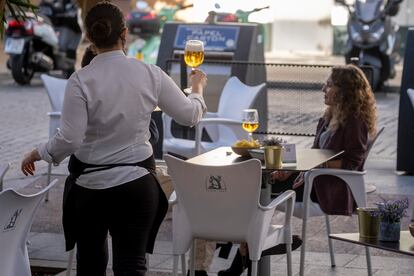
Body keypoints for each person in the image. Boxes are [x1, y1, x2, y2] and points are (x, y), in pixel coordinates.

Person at [21, 2, 207, 275]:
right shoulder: (149, 73)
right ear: (125, 34)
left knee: (91, 266)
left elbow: (70, 140)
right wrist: (198, 88)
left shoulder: (80, 80)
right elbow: (190, 115)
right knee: (131, 264)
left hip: (90, 188)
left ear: (89, 37)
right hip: (136, 185)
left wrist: (38, 152)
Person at [218, 64, 377, 275]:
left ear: (344, 90)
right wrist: (291, 170)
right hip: (313, 180)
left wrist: (316, 166)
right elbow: (313, 154)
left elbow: (353, 161)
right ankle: (256, 246)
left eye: (329, 85)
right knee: (257, 188)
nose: (323, 89)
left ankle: (242, 246)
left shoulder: (354, 120)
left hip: (327, 188)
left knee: (257, 193)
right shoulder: (329, 117)